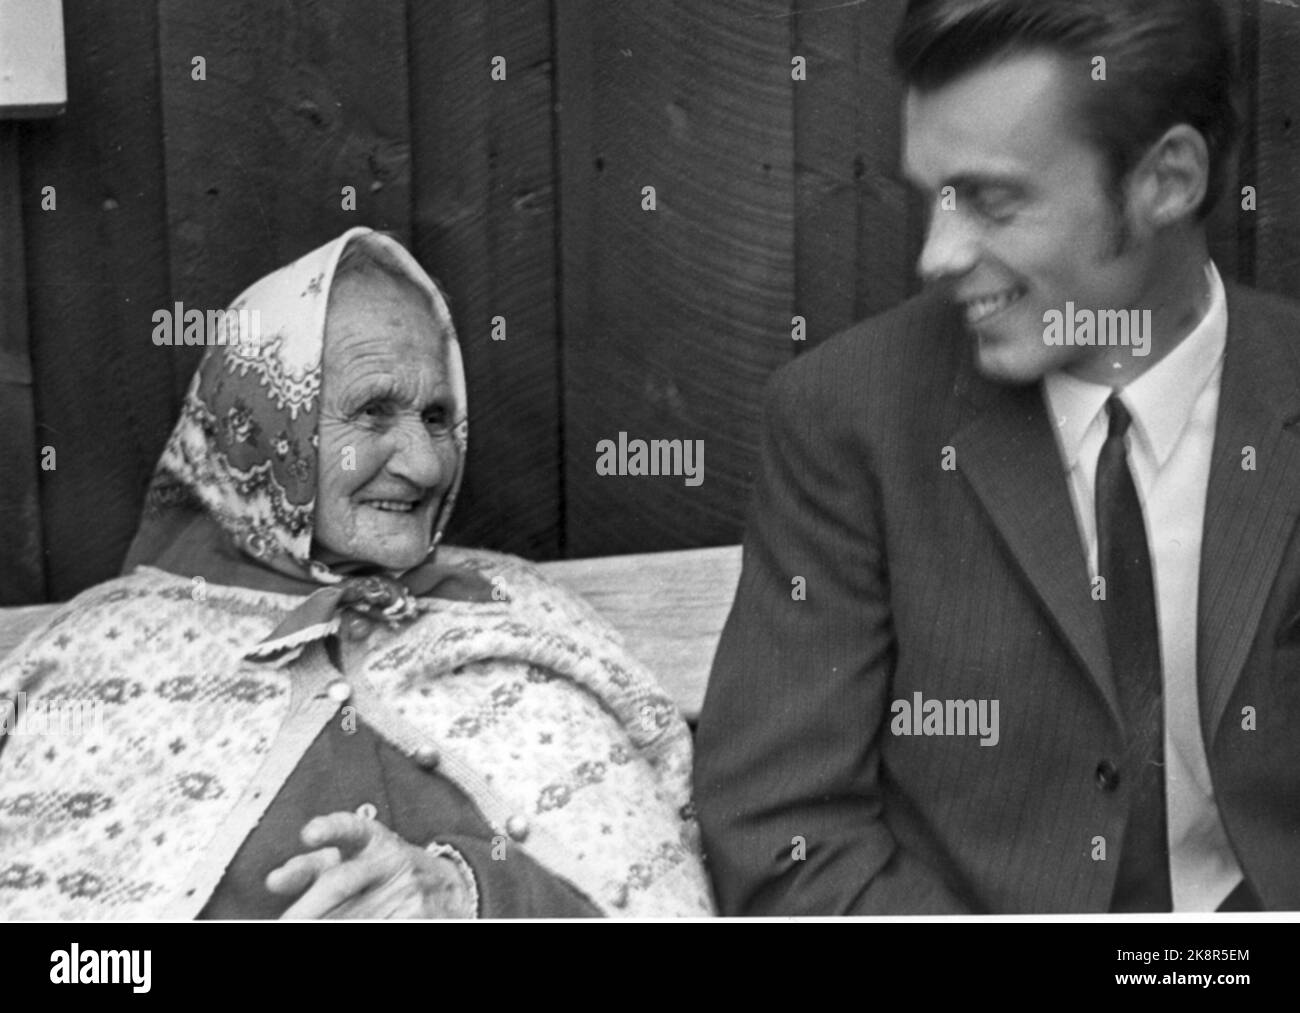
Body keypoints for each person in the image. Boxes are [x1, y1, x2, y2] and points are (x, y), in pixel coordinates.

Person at [695, 0, 1300, 913]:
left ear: (1168, 179)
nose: (938, 255)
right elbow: (785, 827)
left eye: (993, 199)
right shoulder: (847, 419)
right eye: (931, 196)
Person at [0, 227, 714, 920]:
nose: (427, 463)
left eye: (437, 417)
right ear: (261, 421)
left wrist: (468, 893)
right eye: (374, 412)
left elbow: (657, 901)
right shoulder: (100, 656)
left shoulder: (515, 612)